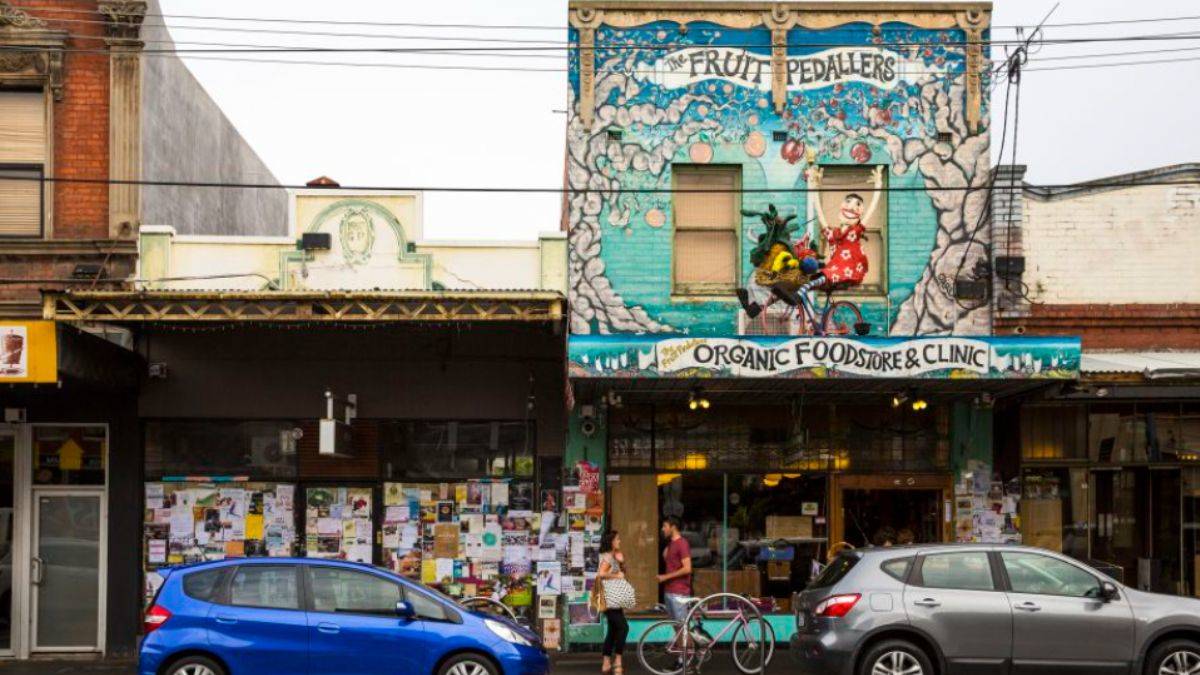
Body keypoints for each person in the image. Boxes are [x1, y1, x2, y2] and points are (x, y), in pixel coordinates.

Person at [597, 531, 630, 675]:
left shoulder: (614, 555)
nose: (619, 541)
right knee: (624, 628)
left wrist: (621, 562)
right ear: (611, 541)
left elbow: (624, 574)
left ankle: (606, 662)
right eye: (617, 539)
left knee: (613, 630)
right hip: (610, 598)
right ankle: (617, 660)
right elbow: (601, 574)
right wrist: (616, 574)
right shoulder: (607, 557)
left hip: (615, 597)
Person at [658, 516, 692, 622]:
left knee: (682, 629)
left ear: (673, 527)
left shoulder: (682, 543)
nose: (662, 529)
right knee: (677, 629)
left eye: (665, 526)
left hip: (679, 593)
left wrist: (665, 577)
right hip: (669, 591)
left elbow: (687, 568)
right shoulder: (670, 544)